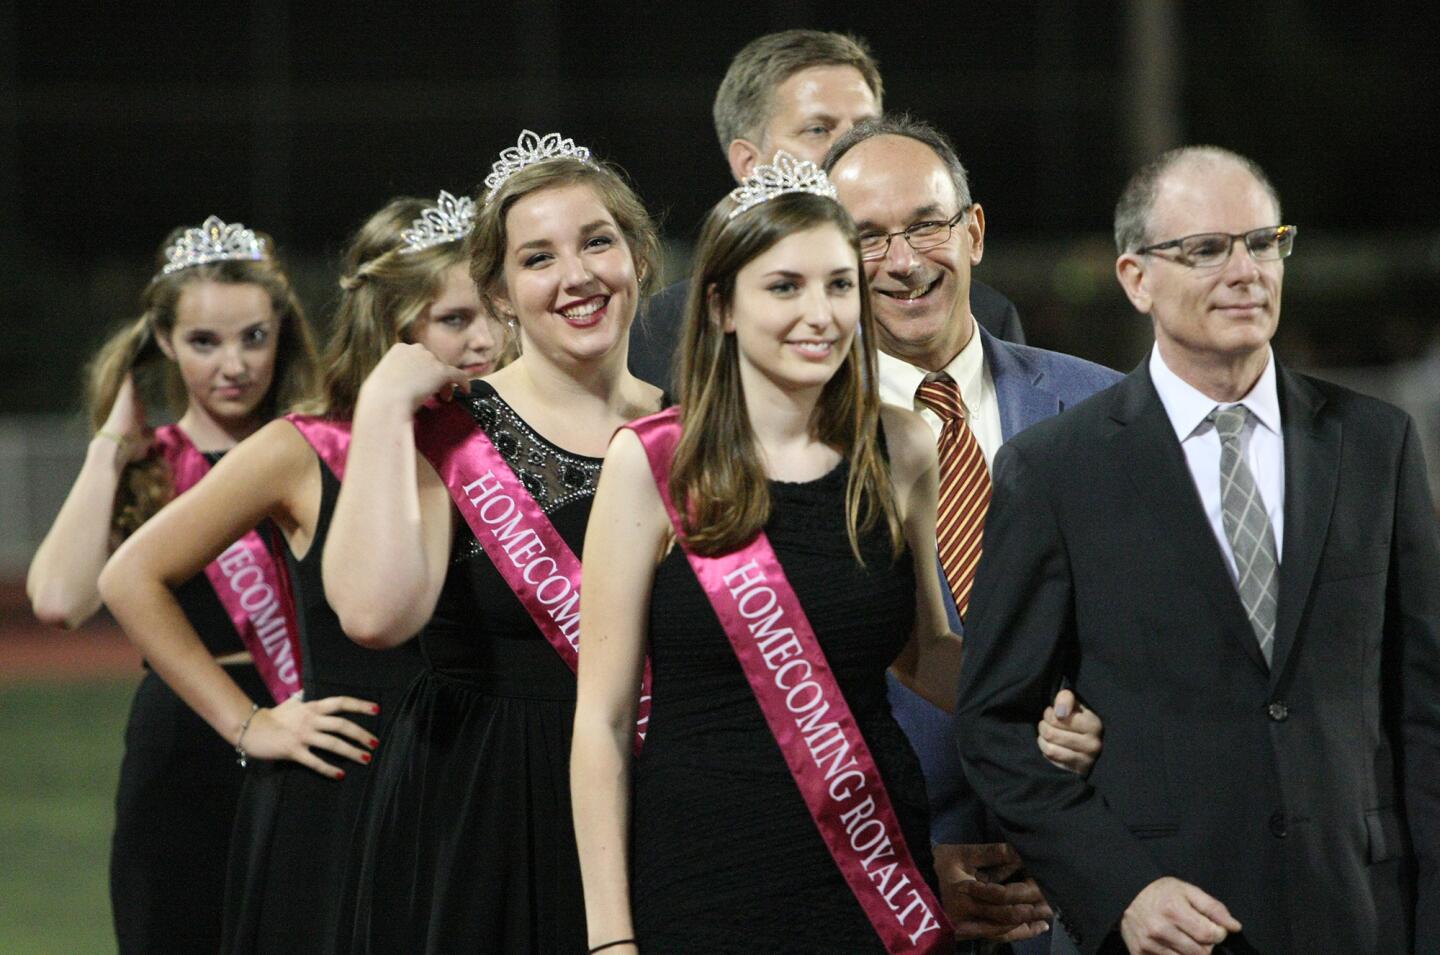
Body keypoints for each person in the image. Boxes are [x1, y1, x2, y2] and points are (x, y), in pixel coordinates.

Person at [572, 153, 1101, 954]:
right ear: (721, 305)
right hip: (701, 868)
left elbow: (928, 651)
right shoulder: (651, 465)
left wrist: (1044, 708)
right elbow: (603, 724)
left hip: (870, 862)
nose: (818, 313)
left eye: (837, 284)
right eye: (784, 286)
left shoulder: (903, 447)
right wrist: (610, 938)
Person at [955, 146, 1440, 955]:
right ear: (1136, 277)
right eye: (1207, 249)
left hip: (1361, 913)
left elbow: (1424, 709)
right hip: (1166, 931)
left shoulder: (1375, 444)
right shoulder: (1056, 468)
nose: (1246, 270)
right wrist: (1121, 888)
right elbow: (994, 727)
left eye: (1263, 241)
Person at [98, 193, 504, 953]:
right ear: (393, 328)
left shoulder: (518, 444)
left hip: (480, 794)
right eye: (454, 319)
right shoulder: (307, 448)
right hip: (347, 805)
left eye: (497, 312)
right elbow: (130, 575)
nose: (486, 338)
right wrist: (249, 724)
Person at [323, 132, 665, 952]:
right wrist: (379, 408)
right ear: (501, 293)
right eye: (537, 257)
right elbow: (373, 613)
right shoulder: (450, 431)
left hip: (654, 794)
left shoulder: (694, 424)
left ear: (638, 257)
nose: (577, 276)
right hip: (480, 807)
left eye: (597, 242)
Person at [824, 114, 1122, 952]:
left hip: (1095, 890)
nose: (906, 261)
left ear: (976, 232)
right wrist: (904, 865)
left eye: (926, 223)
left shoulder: (1109, 411)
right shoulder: (792, 444)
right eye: (867, 238)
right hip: (883, 898)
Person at [27, 216, 318, 952]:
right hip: (183, 747)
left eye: (254, 336)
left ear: (282, 331)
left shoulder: (317, 447)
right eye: (204, 341)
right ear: (161, 340)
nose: (234, 364)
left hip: (305, 725)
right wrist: (109, 448)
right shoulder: (150, 463)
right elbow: (60, 600)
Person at [630, 29, 1025, 392]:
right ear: (749, 164)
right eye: (819, 129)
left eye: (867, 126)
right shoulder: (664, 329)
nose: (852, 146)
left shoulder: (980, 311)